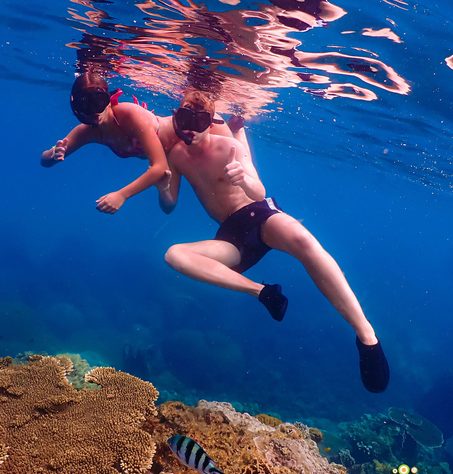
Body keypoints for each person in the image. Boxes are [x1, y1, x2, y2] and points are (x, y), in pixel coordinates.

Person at [156, 90, 389, 393]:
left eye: (200, 121)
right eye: (184, 119)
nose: (191, 128)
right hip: (230, 235)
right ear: (175, 117)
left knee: (305, 242)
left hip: (260, 215)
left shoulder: (228, 146)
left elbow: (258, 189)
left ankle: (366, 334)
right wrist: (163, 188)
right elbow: (169, 205)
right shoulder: (175, 156)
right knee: (174, 255)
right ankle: (264, 293)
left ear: (211, 121)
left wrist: (243, 178)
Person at [41, 72, 235, 214]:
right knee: (168, 206)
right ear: (76, 107)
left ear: (108, 100)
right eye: (86, 104)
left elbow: (158, 167)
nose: (95, 112)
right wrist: (54, 154)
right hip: (173, 153)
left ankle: (238, 128)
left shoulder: (129, 114)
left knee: (237, 161)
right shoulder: (87, 133)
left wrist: (122, 195)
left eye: (98, 101)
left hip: (196, 125)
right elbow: (45, 160)